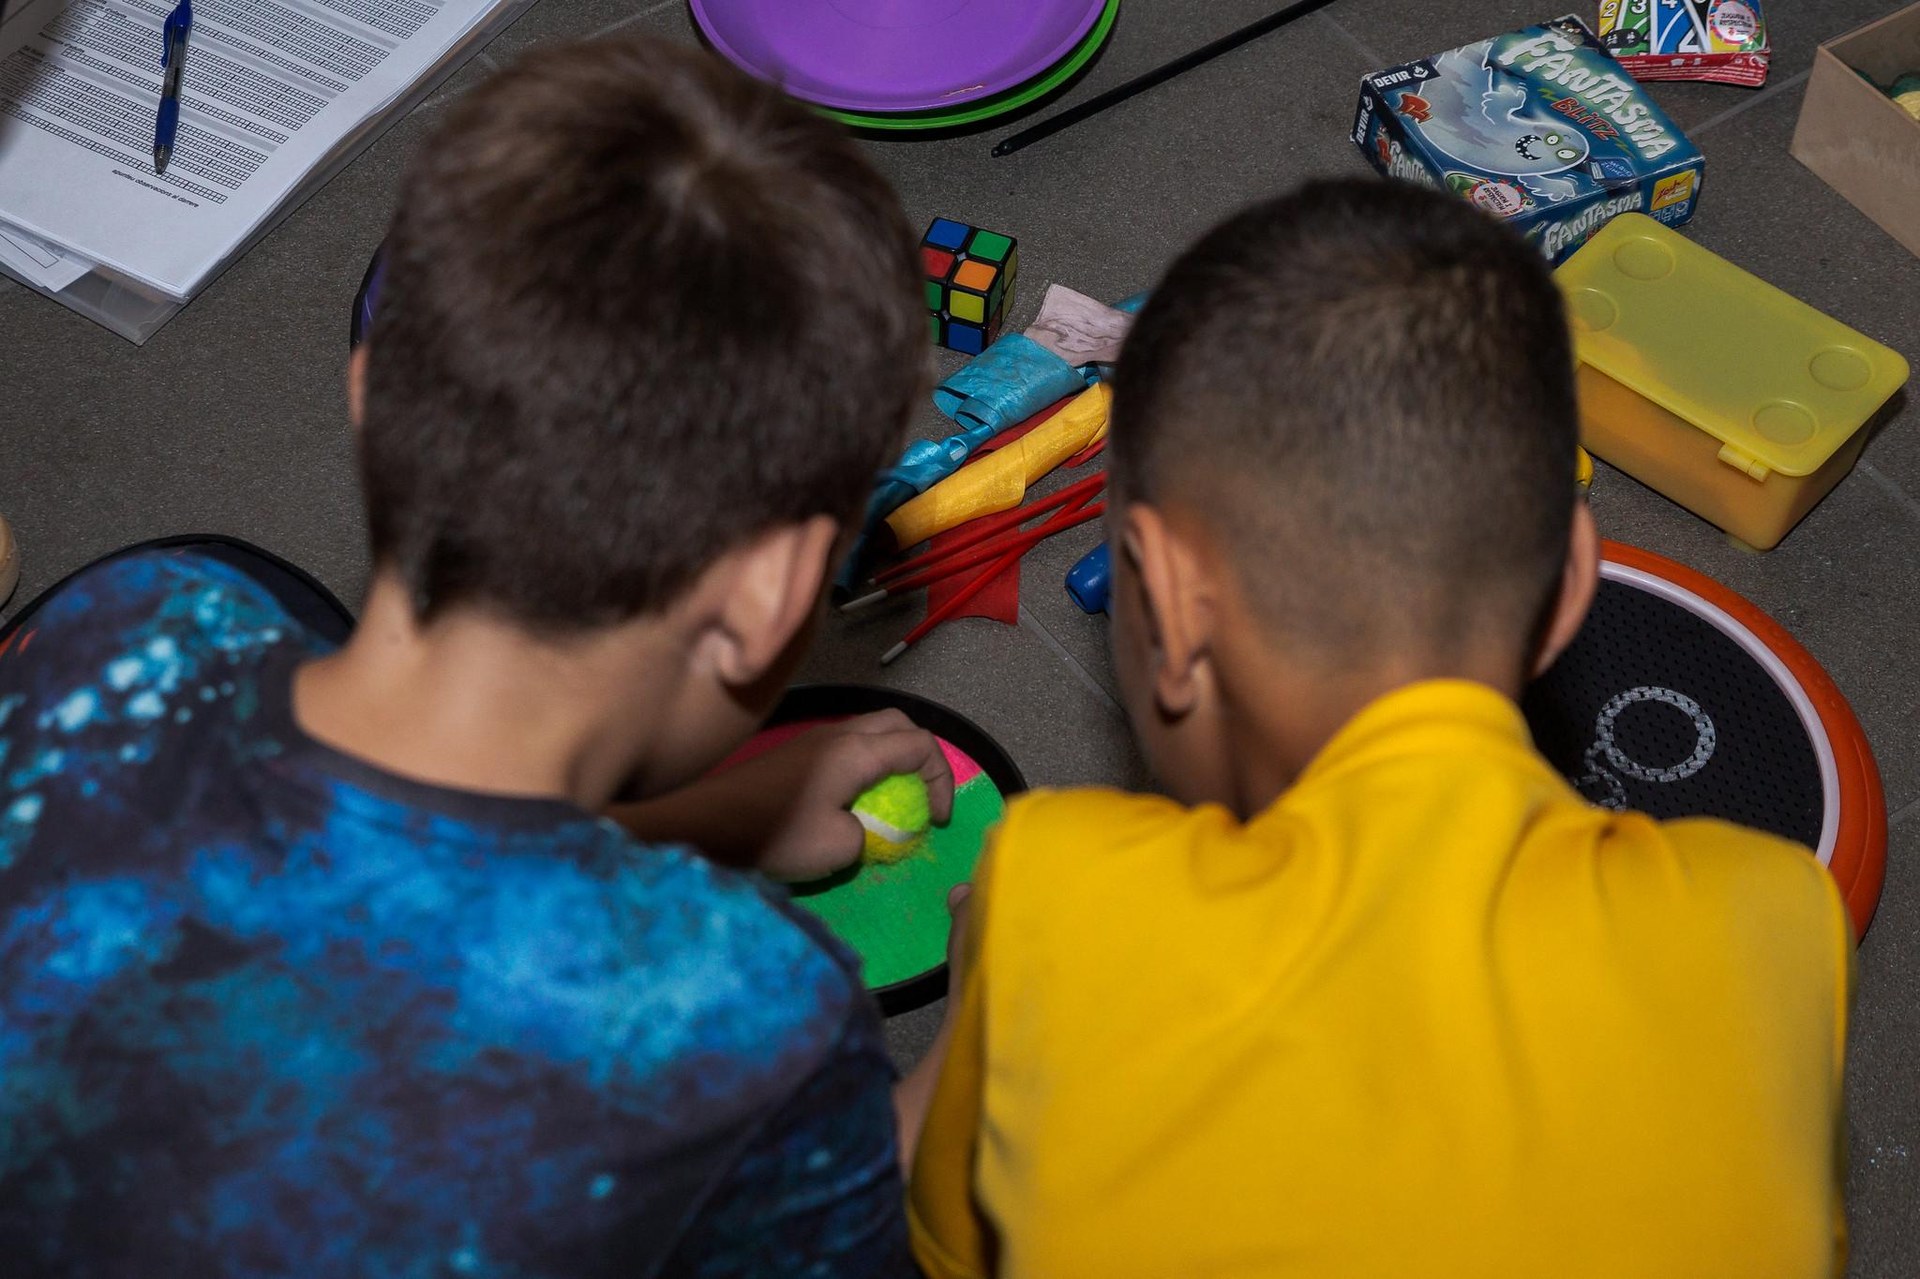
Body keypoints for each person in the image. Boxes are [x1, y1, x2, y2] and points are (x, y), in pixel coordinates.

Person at [0, 34, 942, 1277]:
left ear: (366, 397)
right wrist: (992, 1022)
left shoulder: (130, 623)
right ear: (771, 596)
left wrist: (704, 824)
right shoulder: (750, 1020)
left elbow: (367, 905)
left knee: (250, 578)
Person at [905, 180, 1852, 1279]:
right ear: (1571, 588)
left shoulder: (1054, 899)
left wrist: (986, 991)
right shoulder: (1781, 921)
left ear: (1160, 598)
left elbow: (924, 1217)